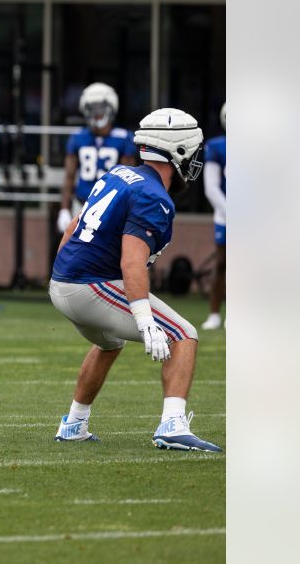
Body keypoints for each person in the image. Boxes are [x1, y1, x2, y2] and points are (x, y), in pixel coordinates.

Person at [49, 108, 221, 452]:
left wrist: (58, 275)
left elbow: (72, 228)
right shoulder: (153, 196)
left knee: (109, 343)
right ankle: (172, 424)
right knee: (183, 334)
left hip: (64, 281)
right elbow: (132, 262)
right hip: (90, 286)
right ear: (179, 151)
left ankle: (73, 423)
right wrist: (145, 322)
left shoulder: (119, 173)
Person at [56, 83, 138, 234]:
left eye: (101, 109)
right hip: (82, 204)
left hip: (112, 206)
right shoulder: (78, 137)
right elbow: (69, 176)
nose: (97, 114)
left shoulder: (123, 138)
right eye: (93, 109)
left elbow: (129, 180)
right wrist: (64, 209)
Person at [201, 103, 227, 330]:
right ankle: (215, 313)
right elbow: (211, 187)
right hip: (226, 214)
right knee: (222, 265)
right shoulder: (218, 147)